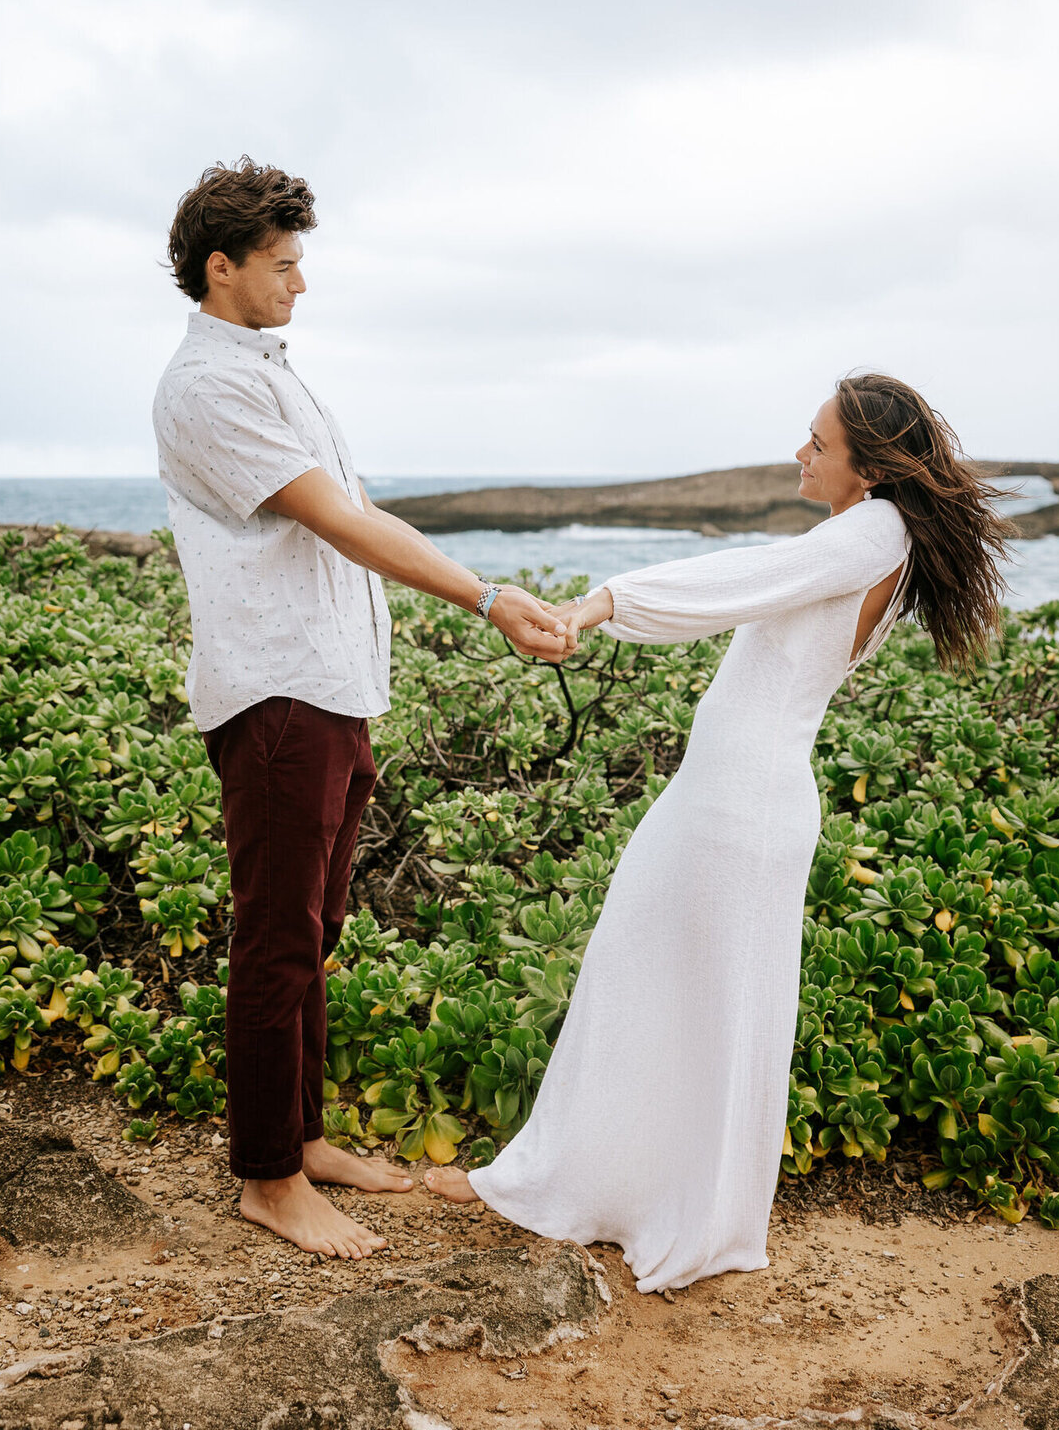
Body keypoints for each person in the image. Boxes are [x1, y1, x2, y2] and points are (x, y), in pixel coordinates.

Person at [426, 375, 1008, 1293]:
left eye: (817, 444)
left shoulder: (872, 531)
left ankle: (662, 1210)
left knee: (688, 997)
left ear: (870, 463)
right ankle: (616, 1190)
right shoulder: (872, 534)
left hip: (743, 807)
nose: (800, 454)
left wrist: (601, 603)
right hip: (736, 797)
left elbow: (737, 577)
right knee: (670, 990)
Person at [152, 157, 569, 1260]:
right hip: (280, 690)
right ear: (221, 266)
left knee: (316, 931)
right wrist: (488, 596)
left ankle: (301, 1138)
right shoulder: (208, 386)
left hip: (329, 687)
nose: (300, 282)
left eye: (301, 261)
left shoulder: (267, 369)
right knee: (277, 937)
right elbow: (336, 521)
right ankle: (268, 1178)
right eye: (282, 265)